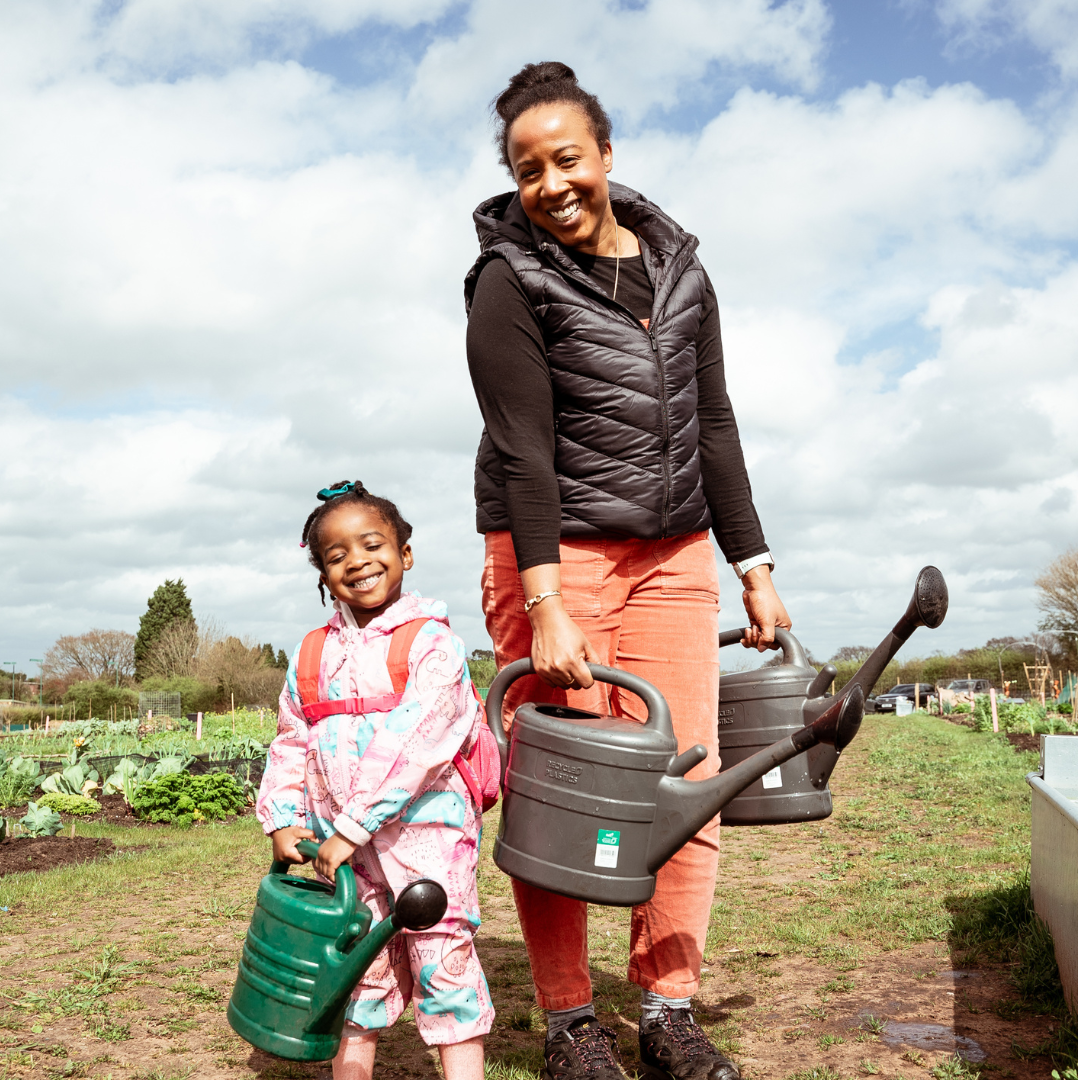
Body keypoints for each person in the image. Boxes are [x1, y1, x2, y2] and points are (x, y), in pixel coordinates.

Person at [465, 63, 792, 1080]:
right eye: (528, 169)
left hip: (675, 551)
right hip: (557, 555)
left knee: (683, 780)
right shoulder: (507, 282)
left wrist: (755, 563)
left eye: (567, 159)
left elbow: (719, 421)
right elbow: (522, 447)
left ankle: (668, 1009)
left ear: (606, 155)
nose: (551, 183)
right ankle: (568, 1022)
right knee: (567, 794)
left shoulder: (684, 271)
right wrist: (547, 601)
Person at [256, 481, 493, 1080]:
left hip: (426, 836)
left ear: (405, 553)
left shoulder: (432, 644)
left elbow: (414, 743)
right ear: (323, 576)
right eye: (336, 556)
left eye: (372, 544)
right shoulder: (312, 653)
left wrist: (352, 826)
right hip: (342, 847)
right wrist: (284, 818)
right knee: (353, 963)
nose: (357, 561)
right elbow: (290, 740)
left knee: (444, 962)